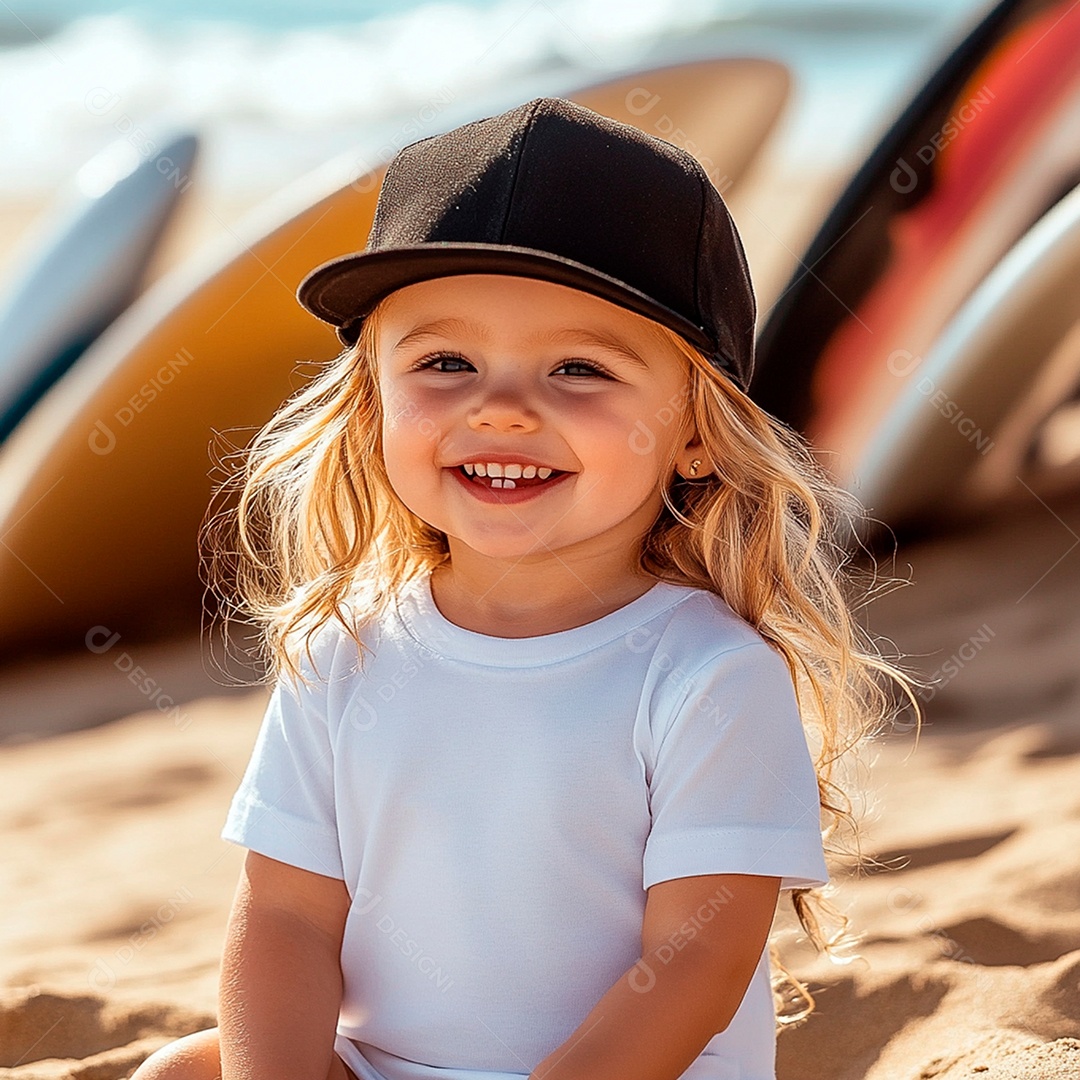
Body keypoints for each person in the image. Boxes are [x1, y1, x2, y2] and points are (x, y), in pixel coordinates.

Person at [133, 97, 920, 1080]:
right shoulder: (344, 651)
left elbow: (694, 964)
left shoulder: (706, 671)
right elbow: (286, 919)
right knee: (183, 1071)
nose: (501, 408)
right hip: (392, 1065)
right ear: (373, 400)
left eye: (579, 369)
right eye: (446, 361)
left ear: (694, 432)